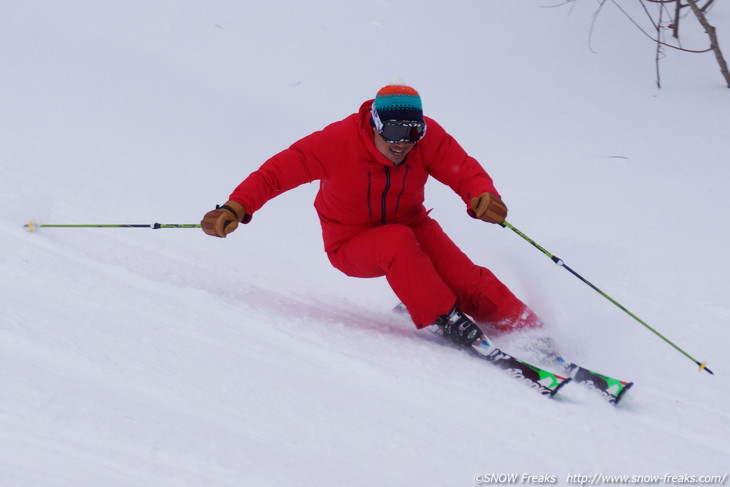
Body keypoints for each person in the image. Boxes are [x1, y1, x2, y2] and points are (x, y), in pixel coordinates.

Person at [201, 84, 542, 348]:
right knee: (398, 243)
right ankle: (444, 316)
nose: (403, 143)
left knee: (465, 276)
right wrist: (236, 207)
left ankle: (528, 330)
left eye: (413, 133)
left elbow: (462, 168)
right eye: (394, 133)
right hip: (350, 241)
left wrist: (482, 195)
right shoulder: (336, 143)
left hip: (411, 221)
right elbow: (274, 174)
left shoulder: (426, 139)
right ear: (375, 124)